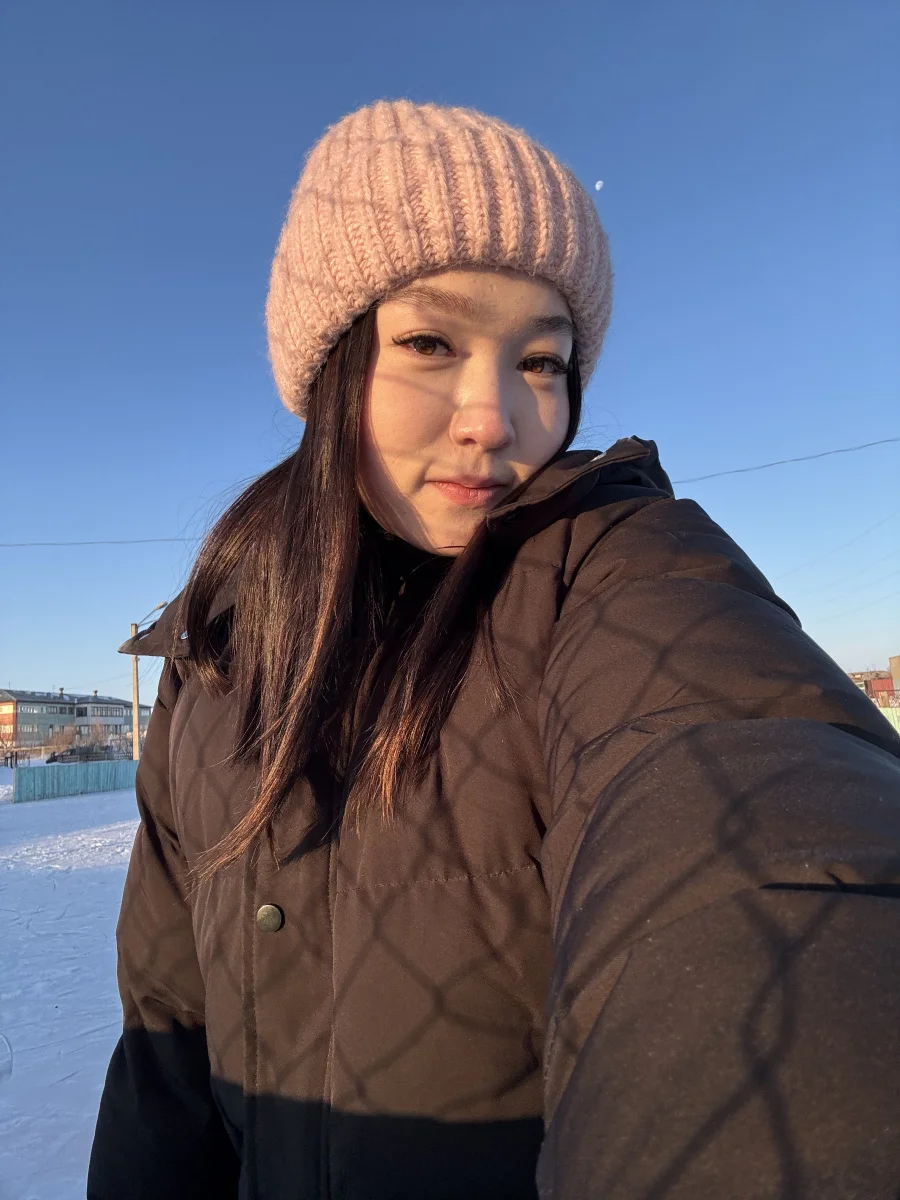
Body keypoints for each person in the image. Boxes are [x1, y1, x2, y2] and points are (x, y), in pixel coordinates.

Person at [87, 100, 900, 1200]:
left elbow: (750, 796)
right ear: (329, 365)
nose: (496, 418)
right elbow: (165, 1039)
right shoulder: (219, 649)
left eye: (542, 361)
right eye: (431, 343)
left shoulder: (611, 570)